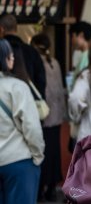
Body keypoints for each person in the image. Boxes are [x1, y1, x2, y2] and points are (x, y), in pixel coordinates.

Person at [0, 38, 45, 204]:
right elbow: (32, 128)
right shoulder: (17, 87)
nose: (12, 58)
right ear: (4, 59)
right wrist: (37, 156)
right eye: (9, 55)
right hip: (18, 161)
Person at [31, 33, 66, 202]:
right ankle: (52, 188)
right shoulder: (56, 63)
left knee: (43, 153)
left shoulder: (37, 63)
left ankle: (42, 189)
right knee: (54, 153)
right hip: (57, 115)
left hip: (44, 116)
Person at [0, 14, 46, 97]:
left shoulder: (2, 50)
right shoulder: (31, 51)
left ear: (1, 29)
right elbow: (41, 81)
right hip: (29, 100)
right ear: (16, 28)